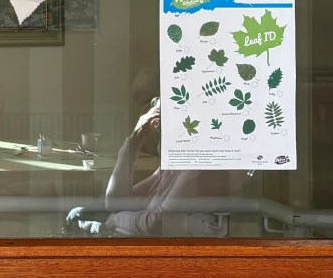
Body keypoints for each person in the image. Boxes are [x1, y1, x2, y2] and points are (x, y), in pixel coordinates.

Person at [66, 98, 233, 236]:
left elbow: (156, 224)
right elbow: (117, 203)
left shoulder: (200, 168)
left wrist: (113, 221)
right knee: (77, 214)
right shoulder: (171, 168)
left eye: (160, 123)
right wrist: (134, 141)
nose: (155, 130)